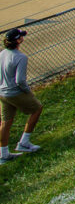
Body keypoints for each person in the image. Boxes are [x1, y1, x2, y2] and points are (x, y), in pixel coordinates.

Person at [0, 28, 42, 163]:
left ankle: (3, 154)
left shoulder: (2, 54)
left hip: (2, 93)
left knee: (6, 122)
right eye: (21, 37)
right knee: (37, 109)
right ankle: (24, 142)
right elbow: (20, 80)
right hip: (14, 92)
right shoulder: (21, 57)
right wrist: (27, 91)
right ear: (18, 40)